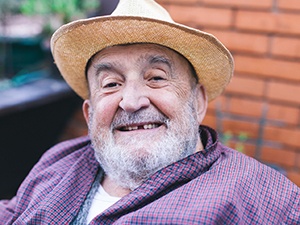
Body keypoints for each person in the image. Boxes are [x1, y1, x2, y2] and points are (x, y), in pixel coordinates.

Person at [1, 0, 299, 224]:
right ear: (90, 112)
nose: (131, 101)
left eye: (156, 77)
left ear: (198, 102)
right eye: (111, 83)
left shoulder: (260, 198)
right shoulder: (60, 160)